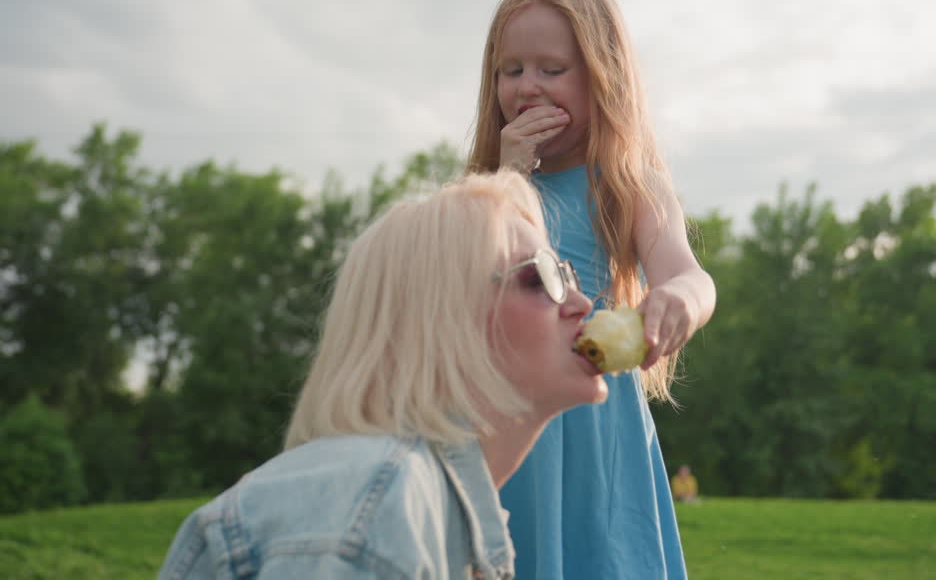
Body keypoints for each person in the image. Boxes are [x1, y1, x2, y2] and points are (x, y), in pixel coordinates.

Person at [158, 171, 607, 580]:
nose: (581, 304)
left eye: (567, 275)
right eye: (541, 277)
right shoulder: (376, 508)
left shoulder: (417, 505)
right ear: (441, 317)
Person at [466, 0, 718, 579]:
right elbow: (462, 294)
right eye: (512, 69)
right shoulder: (480, 194)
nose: (527, 86)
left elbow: (689, 273)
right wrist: (508, 181)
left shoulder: (628, 187)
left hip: (595, 423)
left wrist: (681, 299)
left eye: (551, 70)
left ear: (601, 77)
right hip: (495, 421)